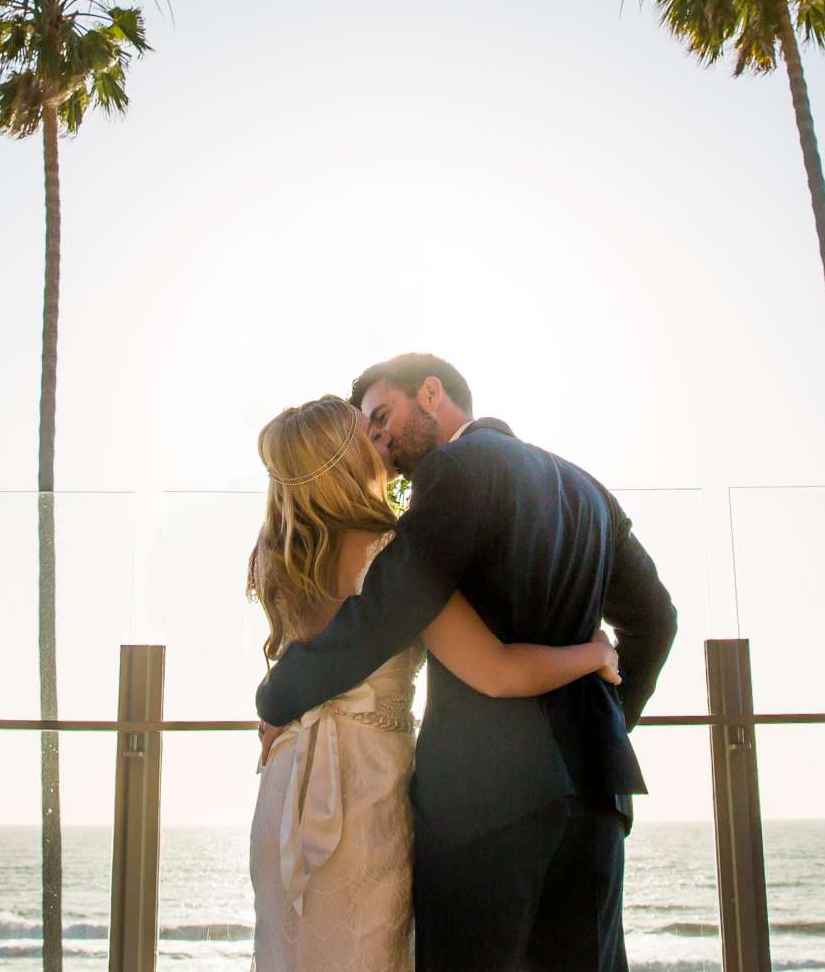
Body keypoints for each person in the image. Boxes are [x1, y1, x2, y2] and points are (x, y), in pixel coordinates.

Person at [256, 354, 679, 972]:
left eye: (384, 418)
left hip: (483, 804)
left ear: (432, 393)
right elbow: (657, 620)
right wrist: (605, 723)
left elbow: (388, 608)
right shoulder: (587, 489)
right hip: (597, 800)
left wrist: (277, 697)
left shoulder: (454, 471)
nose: (381, 442)